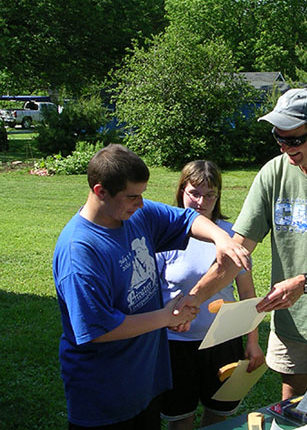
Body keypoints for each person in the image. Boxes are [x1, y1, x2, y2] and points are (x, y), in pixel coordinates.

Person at [179, 88, 307, 401]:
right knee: (293, 409)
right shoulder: (273, 174)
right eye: (279, 137)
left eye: (294, 139)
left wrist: (304, 283)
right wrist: (193, 299)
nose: (284, 147)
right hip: (292, 324)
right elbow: (236, 252)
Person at [53, 144, 251, 429]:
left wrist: (222, 239)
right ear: (100, 191)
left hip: (145, 384)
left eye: (142, 194)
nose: (141, 203)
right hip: (104, 394)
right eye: (132, 196)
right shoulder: (80, 252)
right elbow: (98, 329)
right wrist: (166, 317)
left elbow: (187, 219)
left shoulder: (136, 216)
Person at [156, 160, 265, 429]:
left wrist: (252, 341)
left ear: (218, 197)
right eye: (194, 193)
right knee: (180, 418)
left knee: (219, 414)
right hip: (175, 345)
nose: (201, 202)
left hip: (223, 342)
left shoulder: (231, 236)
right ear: (181, 191)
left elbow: (247, 292)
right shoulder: (164, 236)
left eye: (210, 195)